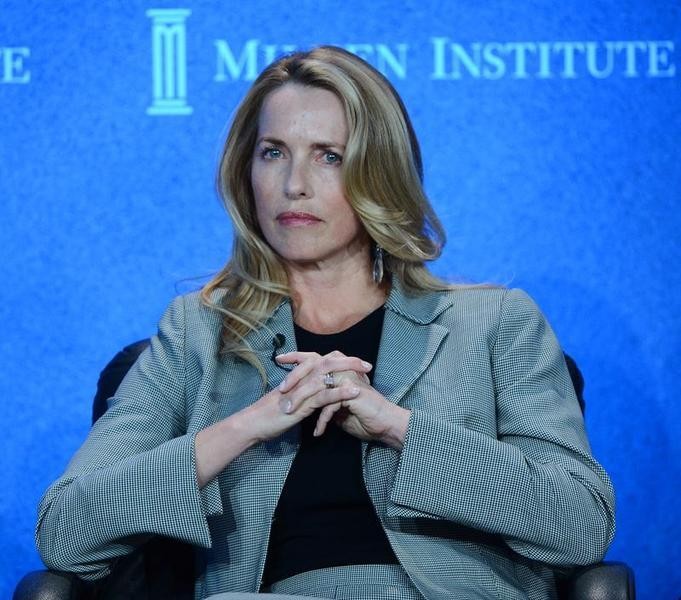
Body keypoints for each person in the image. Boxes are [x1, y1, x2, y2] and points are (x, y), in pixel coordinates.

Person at [36, 46, 615, 600]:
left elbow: (581, 525)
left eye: (328, 156)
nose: (294, 184)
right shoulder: (197, 335)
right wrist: (250, 425)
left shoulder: (494, 324)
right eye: (273, 152)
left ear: (379, 172)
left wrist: (396, 427)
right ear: (246, 170)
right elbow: (65, 532)